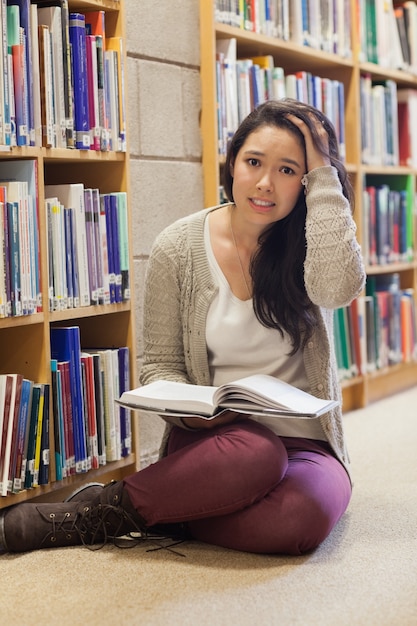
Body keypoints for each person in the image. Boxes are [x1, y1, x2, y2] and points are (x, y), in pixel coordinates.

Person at [0, 99, 365, 555]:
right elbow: (159, 368)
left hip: (305, 446)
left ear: (307, 181)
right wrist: (193, 413)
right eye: (253, 162)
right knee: (257, 453)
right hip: (217, 442)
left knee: (300, 521)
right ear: (233, 161)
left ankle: (157, 511)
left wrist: (326, 175)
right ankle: (97, 513)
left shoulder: (314, 240)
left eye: (289, 170)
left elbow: (337, 290)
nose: (266, 183)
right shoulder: (178, 246)